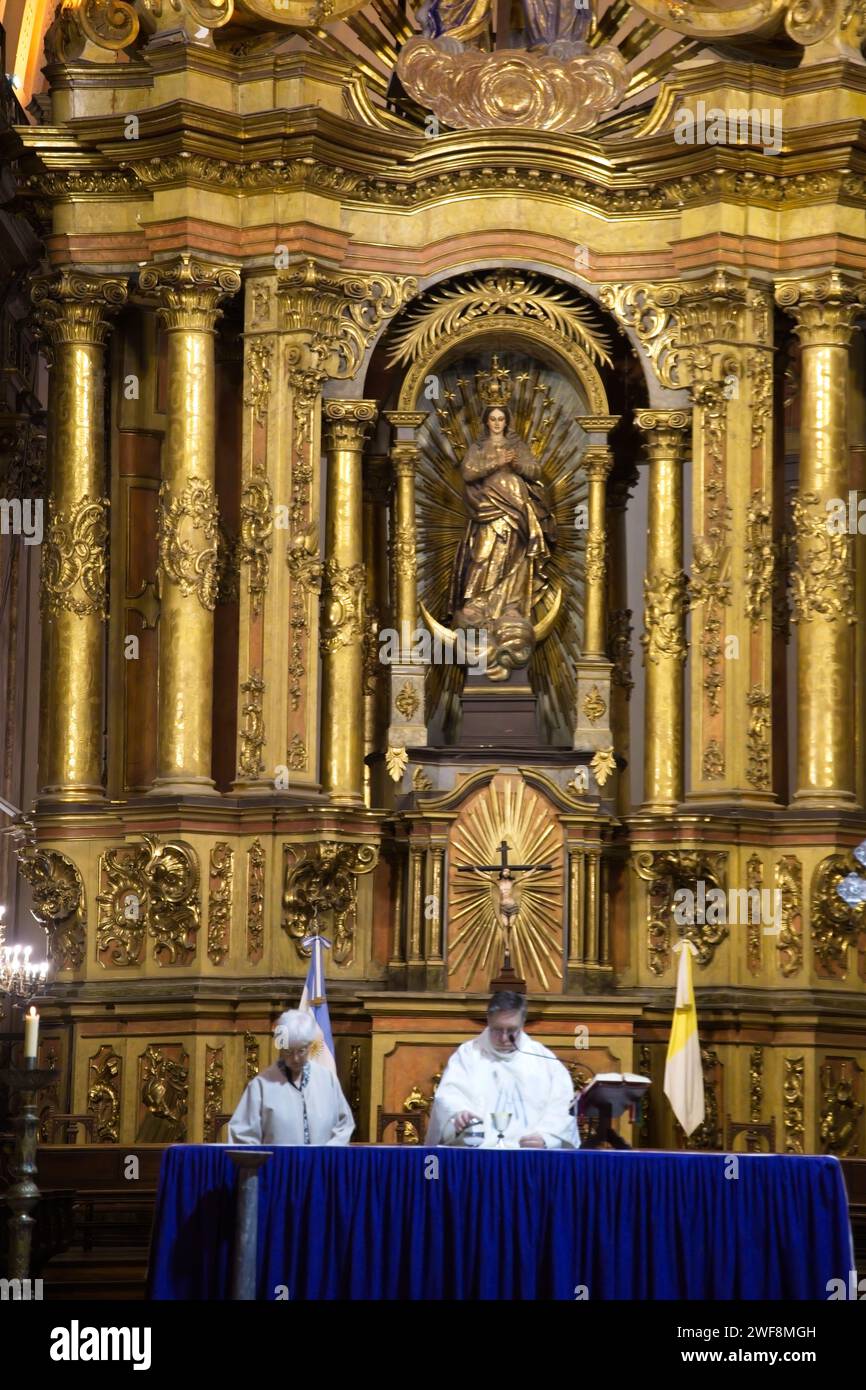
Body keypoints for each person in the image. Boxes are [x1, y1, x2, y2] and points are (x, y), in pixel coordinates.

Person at [426, 991, 579, 1149]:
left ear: (523, 1023)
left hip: (530, 1157)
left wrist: (546, 1138)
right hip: (478, 1156)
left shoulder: (545, 1061)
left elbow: (561, 1107)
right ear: (488, 1020)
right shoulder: (467, 1055)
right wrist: (458, 1114)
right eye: (497, 1030)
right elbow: (449, 1096)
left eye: (512, 1030)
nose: (504, 1038)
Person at [227, 1009, 354, 1146]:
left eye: (301, 1050)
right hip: (278, 1165)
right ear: (281, 1048)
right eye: (288, 1051)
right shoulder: (261, 1086)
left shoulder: (327, 1079)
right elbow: (242, 1134)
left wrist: (329, 1152)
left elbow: (344, 1124)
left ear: (310, 1046)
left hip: (321, 1163)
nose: (295, 1058)